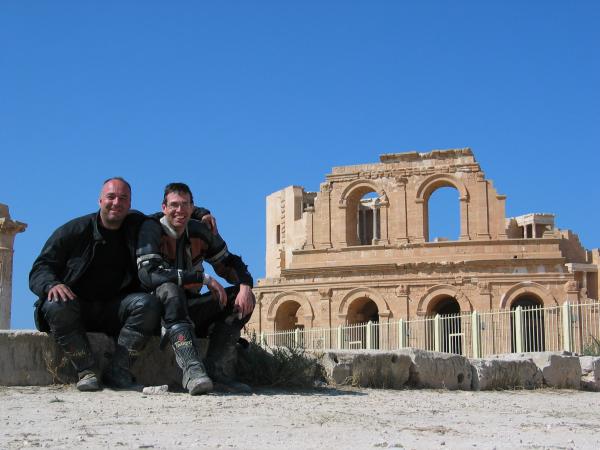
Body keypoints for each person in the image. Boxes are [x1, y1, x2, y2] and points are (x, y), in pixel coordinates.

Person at [29, 178, 162, 392]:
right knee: (56, 304)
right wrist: (51, 284)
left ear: (129, 204)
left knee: (148, 304)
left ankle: (118, 371)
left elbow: (171, 213)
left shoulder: (135, 227)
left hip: (112, 309)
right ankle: (86, 371)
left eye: (123, 198)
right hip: (75, 306)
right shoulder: (74, 230)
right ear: (100, 200)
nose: (116, 202)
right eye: (111, 197)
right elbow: (41, 267)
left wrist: (201, 214)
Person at [136, 182, 255, 395]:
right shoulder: (152, 229)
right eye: (173, 205)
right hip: (156, 313)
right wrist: (203, 279)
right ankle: (192, 370)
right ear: (164, 207)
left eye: (184, 205)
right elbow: (150, 274)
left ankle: (216, 370)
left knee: (242, 297)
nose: (179, 211)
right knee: (169, 289)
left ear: (192, 208)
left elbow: (229, 261)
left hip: (190, 309)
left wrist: (245, 285)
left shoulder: (200, 231)